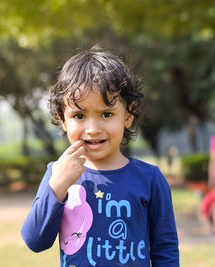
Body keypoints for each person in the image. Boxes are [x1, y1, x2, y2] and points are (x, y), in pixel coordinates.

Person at [21, 46, 179, 266]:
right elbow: (35, 241)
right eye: (79, 115)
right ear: (63, 120)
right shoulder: (57, 174)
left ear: (128, 115)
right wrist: (56, 188)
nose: (93, 128)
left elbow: (165, 250)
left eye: (107, 114)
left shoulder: (150, 179)